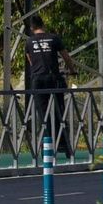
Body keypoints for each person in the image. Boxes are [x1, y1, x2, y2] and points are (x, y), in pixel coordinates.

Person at [25, 16, 76, 159]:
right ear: (43, 24)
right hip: (53, 79)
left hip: (38, 80)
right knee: (59, 111)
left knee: (43, 114)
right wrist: (72, 70)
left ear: (31, 28)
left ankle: (47, 147)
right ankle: (64, 145)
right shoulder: (54, 38)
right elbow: (65, 57)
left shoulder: (29, 42)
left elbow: (31, 62)